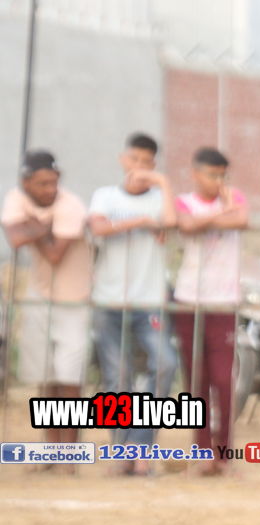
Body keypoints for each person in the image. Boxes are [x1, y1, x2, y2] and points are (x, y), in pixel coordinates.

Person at [88, 132, 179, 477]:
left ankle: (140, 447)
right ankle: (122, 452)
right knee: (117, 377)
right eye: (134, 160)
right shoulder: (105, 195)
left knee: (165, 365)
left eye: (147, 163)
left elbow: (171, 223)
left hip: (149, 300)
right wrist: (139, 222)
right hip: (108, 300)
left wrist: (163, 183)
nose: (139, 168)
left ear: (153, 165)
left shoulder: (159, 199)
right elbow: (98, 227)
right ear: (123, 160)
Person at [1, 151, 92, 462]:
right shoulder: (15, 198)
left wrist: (32, 228)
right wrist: (45, 227)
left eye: (54, 182)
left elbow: (54, 255)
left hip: (75, 300)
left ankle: (70, 452)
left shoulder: (71, 205)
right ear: (26, 182)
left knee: (70, 378)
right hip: (39, 297)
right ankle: (51, 450)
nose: (50, 189)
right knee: (45, 377)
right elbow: (15, 240)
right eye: (42, 184)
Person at [173, 148, 249, 476]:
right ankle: (202, 453)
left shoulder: (235, 197)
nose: (218, 181)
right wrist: (222, 213)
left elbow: (241, 219)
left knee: (223, 379)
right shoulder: (183, 201)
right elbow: (187, 225)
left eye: (222, 175)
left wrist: (220, 213)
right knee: (196, 381)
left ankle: (223, 454)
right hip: (189, 299)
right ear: (195, 173)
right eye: (211, 174)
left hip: (224, 301)